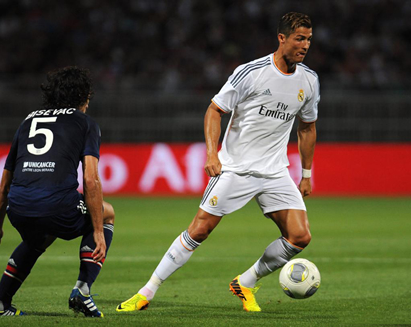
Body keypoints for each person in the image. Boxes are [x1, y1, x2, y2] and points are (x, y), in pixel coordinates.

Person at [116, 12, 319, 313]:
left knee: (300, 236)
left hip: (275, 171)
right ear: (282, 38)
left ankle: (245, 282)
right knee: (198, 231)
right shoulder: (251, 73)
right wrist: (212, 154)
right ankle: (146, 292)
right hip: (236, 168)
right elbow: (214, 110)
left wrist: (305, 173)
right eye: (299, 38)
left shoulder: (310, 80)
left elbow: (307, 127)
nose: (305, 45)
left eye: (309, 39)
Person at [0, 66, 115, 317]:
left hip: (18, 208)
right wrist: (98, 230)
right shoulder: (86, 123)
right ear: (84, 95)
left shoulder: (28, 120)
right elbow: (90, 180)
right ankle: (83, 290)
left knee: (37, 238)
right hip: (57, 205)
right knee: (107, 213)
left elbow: (4, 185)